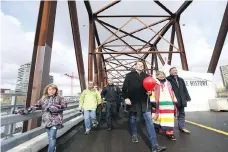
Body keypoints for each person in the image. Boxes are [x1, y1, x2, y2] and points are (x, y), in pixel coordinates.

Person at [122, 61, 166, 152]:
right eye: (139, 65)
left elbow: (150, 87)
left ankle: (155, 146)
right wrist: (126, 97)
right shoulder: (129, 75)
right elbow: (124, 88)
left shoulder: (146, 76)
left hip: (144, 101)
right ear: (135, 66)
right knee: (133, 119)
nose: (141, 66)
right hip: (133, 101)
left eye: (142, 65)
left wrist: (150, 92)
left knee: (149, 122)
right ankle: (134, 134)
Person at [16, 84, 67, 152]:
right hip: (46, 121)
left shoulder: (60, 98)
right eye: (50, 89)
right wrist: (22, 111)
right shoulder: (43, 99)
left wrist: (53, 108)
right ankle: (53, 148)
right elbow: (35, 106)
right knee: (50, 137)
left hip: (56, 121)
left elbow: (64, 106)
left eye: (53, 89)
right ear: (47, 90)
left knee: (52, 136)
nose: (51, 91)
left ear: (56, 90)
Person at [151, 71, 178, 141]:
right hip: (158, 103)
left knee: (168, 119)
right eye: (159, 75)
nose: (161, 76)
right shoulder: (154, 83)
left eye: (163, 74)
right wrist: (153, 101)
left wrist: (174, 99)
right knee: (159, 118)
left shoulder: (168, 83)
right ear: (156, 76)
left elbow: (172, 91)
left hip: (168, 103)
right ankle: (159, 128)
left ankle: (170, 133)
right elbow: (152, 92)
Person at [166, 67, 191, 134]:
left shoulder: (181, 79)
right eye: (173, 70)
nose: (175, 71)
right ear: (170, 72)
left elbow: (184, 89)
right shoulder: (167, 79)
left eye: (176, 70)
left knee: (182, 113)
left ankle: (182, 127)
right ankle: (169, 129)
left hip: (181, 99)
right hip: (172, 100)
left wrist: (187, 97)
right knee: (171, 114)